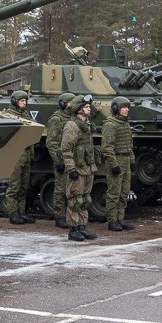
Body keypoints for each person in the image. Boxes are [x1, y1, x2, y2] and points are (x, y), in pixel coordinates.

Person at [60, 94, 99, 241]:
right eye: (86, 107)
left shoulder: (86, 124)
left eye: (89, 106)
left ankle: (82, 226)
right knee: (75, 199)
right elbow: (66, 149)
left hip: (88, 167)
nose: (89, 109)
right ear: (78, 109)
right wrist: (71, 169)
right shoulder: (72, 125)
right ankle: (73, 229)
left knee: (85, 198)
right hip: (77, 168)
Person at [4, 90, 37, 225]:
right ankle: (13, 214)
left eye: (25, 101)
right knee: (14, 187)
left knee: (24, 186)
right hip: (15, 155)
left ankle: (21, 213)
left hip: (26, 153)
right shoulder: (9, 116)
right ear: (15, 102)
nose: (25, 103)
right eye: (22, 101)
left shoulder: (25, 115)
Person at [102, 96, 135, 231]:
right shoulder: (111, 124)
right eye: (124, 107)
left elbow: (130, 145)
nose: (127, 110)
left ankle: (120, 219)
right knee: (114, 193)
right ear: (116, 109)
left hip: (126, 160)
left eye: (128, 107)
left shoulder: (125, 124)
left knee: (124, 192)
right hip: (116, 160)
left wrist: (132, 161)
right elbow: (107, 147)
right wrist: (114, 164)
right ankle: (112, 221)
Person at [45, 92, 76, 228]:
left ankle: (70, 215)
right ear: (63, 104)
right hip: (61, 159)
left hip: (73, 159)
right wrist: (58, 161)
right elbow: (51, 143)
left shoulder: (73, 118)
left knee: (72, 189)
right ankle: (59, 216)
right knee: (60, 189)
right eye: (70, 102)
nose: (72, 105)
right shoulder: (56, 119)